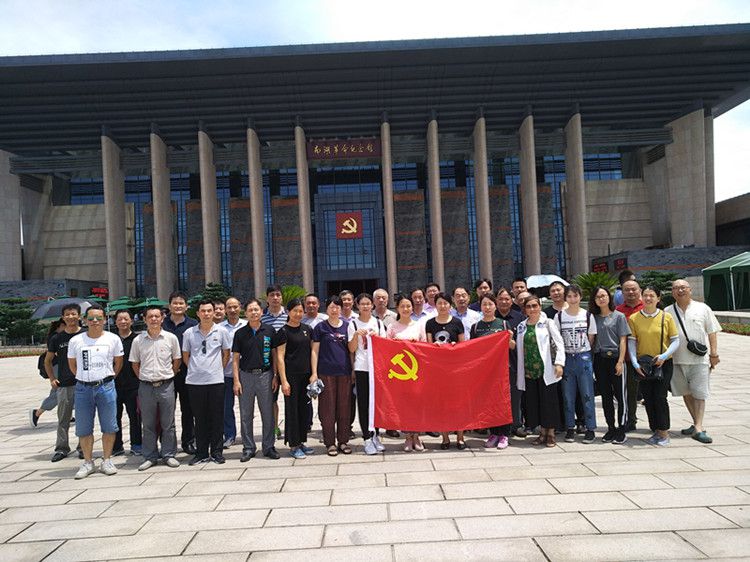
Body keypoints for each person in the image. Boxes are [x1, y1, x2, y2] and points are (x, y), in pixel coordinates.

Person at [67, 304, 123, 479]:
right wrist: (85, 378)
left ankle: (107, 460)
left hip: (106, 387)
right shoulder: (76, 341)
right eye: (91, 318)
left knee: (109, 425)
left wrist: (107, 378)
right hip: (83, 388)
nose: (95, 321)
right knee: (84, 428)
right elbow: (72, 365)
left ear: (105, 319)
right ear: (85, 320)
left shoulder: (113, 339)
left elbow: (118, 363)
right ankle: (88, 462)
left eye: (99, 318)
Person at [666, 279, 722, 444]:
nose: (680, 290)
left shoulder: (703, 308)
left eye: (683, 287)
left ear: (690, 290)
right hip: (676, 360)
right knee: (686, 393)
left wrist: (714, 354)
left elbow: (712, 331)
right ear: (672, 292)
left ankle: (698, 427)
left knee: (699, 393)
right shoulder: (668, 311)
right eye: (676, 288)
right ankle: (696, 423)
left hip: (699, 360)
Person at [130, 305, 182, 470]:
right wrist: (143, 377)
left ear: (162, 318)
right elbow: (135, 363)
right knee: (148, 423)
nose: (153, 319)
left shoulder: (170, 338)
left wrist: (169, 374)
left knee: (168, 422)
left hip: (166, 385)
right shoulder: (138, 340)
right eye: (150, 317)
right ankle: (150, 456)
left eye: (156, 316)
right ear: (144, 319)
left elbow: (177, 360)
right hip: (146, 387)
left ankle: (168, 454)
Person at [628, 286, 680, 447]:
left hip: (663, 363)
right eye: (645, 295)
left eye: (652, 295)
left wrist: (664, 356)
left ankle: (664, 431)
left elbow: (675, 340)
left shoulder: (666, 317)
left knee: (660, 397)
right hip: (644, 364)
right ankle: (655, 430)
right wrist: (635, 362)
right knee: (648, 398)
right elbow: (632, 342)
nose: (648, 298)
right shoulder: (634, 318)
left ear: (658, 298)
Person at [182, 300, 231, 465]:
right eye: (203, 311)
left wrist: (216, 369)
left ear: (214, 312)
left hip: (216, 381)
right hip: (195, 382)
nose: (206, 314)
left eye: (209, 310)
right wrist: (196, 369)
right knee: (199, 418)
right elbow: (186, 355)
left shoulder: (222, 331)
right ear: (198, 313)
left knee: (217, 417)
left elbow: (226, 354)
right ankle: (201, 452)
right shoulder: (189, 333)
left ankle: (217, 452)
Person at [233, 298, 280, 462]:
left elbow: (274, 355)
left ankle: (268, 446)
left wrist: (275, 376)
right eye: (250, 310)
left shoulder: (269, 330)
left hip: (265, 376)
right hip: (245, 376)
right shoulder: (240, 333)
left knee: (267, 413)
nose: (254, 313)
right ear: (245, 313)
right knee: (246, 414)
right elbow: (235, 359)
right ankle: (248, 447)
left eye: (256, 310)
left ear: (261, 311)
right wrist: (236, 381)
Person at [516, 295, 565, 447]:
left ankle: (551, 434)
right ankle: (542, 433)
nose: (532, 309)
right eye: (528, 306)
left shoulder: (548, 323)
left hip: (546, 369)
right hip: (529, 370)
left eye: (534, 305)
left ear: (540, 306)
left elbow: (559, 343)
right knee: (535, 402)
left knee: (549, 402)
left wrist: (559, 363)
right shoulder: (521, 326)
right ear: (525, 309)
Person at [470, 294, 515, 449]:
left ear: (495, 306)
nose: (487, 307)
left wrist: (509, 339)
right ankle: (493, 433)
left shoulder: (503, 324)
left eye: (490, 304)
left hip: (502, 370)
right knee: (488, 402)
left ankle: (504, 434)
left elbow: (513, 346)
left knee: (503, 401)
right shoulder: (476, 327)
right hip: (485, 372)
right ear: (480, 307)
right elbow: (472, 349)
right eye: (484, 304)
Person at [557, 284, 598, 444]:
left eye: (575, 296)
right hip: (567, 358)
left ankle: (590, 428)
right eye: (569, 296)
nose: (572, 299)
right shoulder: (560, 316)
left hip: (583, 357)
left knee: (587, 394)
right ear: (565, 298)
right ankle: (570, 427)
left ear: (580, 297)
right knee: (568, 396)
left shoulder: (587, 315)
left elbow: (591, 338)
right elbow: (557, 339)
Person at [425, 292, 467, 450]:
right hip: (438, 370)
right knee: (442, 404)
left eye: (445, 303)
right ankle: (445, 437)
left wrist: (455, 347)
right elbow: (429, 347)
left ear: (451, 305)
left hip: (456, 369)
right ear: (435, 305)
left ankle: (460, 437)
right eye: (439, 303)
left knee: (459, 403)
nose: (442, 306)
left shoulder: (457, 322)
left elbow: (463, 346)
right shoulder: (430, 323)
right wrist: (435, 347)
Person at [590, 286, 631, 444]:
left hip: (615, 359)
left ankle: (622, 428)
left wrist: (620, 361)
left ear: (609, 297)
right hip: (600, 360)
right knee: (605, 396)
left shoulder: (619, 316)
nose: (601, 299)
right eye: (598, 296)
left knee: (620, 396)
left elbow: (623, 340)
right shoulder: (593, 318)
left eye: (604, 295)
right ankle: (611, 428)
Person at [312, 295, 352, 456]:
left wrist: (353, 370)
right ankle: (330, 443)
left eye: (337, 307)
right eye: (331, 307)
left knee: (344, 408)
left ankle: (343, 441)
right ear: (326, 309)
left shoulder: (348, 326)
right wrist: (314, 373)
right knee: (327, 409)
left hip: (344, 373)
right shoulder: (320, 327)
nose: (334, 310)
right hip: (325, 373)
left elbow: (351, 350)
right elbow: (314, 351)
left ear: (341, 309)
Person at [275, 298, 315, 459]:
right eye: (295, 311)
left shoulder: (307, 329)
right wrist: (283, 380)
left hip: (306, 375)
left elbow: (312, 351)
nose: (298, 314)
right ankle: (293, 445)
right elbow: (280, 357)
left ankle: (301, 441)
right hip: (291, 377)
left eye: (300, 311)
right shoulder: (283, 332)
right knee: (292, 411)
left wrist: (313, 374)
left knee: (304, 410)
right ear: (288, 312)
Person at [348, 293, 387, 455]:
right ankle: (366, 438)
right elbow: (351, 348)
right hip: (361, 368)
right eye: (362, 304)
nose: (365, 306)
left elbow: (385, 346)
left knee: (376, 404)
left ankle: (375, 435)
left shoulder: (378, 323)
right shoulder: (353, 324)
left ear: (372, 305)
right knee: (363, 404)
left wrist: (376, 338)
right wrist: (356, 335)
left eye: (368, 303)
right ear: (357, 306)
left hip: (376, 369)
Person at [386, 294, 426, 451]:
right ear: (397, 308)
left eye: (408, 306)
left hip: (416, 371)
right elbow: (386, 349)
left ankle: (417, 436)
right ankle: (408, 437)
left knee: (417, 404)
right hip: (399, 373)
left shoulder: (418, 325)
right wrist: (394, 344)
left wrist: (417, 346)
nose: (406, 309)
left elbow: (425, 347)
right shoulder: (392, 327)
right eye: (402, 306)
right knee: (403, 405)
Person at [47, 304, 84, 463]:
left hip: (83, 383)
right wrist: (52, 378)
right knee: (63, 418)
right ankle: (61, 448)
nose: (70, 317)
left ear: (79, 316)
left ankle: (83, 447)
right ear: (63, 317)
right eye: (67, 314)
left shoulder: (85, 335)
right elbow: (48, 360)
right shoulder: (57, 338)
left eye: (73, 314)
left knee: (83, 418)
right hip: (64, 384)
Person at [163, 291, 198, 455]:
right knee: (166, 411)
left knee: (188, 409)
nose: (178, 306)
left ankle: (188, 441)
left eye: (181, 303)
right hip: (165, 373)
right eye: (175, 303)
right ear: (169, 306)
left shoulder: (193, 324)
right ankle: (168, 444)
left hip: (186, 373)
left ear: (186, 306)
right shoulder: (162, 324)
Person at [495, 287, 526, 437]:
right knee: (497, 396)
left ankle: (516, 424)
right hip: (494, 365)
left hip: (514, 363)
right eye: (500, 299)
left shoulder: (519, 318)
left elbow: (523, 342)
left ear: (512, 301)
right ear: (496, 301)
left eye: (507, 299)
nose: (504, 302)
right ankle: (497, 426)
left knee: (515, 395)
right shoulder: (491, 317)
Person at [112, 310, 142, 456]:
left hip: (134, 385)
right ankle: (117, 446)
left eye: (126, 319)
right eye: (120, 319)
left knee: (135, 417)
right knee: (114, 417)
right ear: (115, 322)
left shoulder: (138, 339)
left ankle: (136, 444)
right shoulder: (111, 339)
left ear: (131, 321)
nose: (123, 322)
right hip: (114, 385)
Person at [617, 279, 644, 432]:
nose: (631, 292)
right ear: (622, 292)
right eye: (627, 290)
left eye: (634, 289)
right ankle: (630, 420)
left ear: (640, 290)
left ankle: (656, 423)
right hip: (627, 359)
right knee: (630, 393)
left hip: (648, 358)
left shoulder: (648, 308)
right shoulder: (618, 311)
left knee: (651, 393)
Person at [220, 296, 247, 449]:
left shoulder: (247, 325)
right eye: (229, 307)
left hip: (244, 372)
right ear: (225, 309)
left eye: (235, 307)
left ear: (240, 307)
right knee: (226, 406)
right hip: (225, 373)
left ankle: (247, 435)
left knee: (246, 407)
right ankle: (229, 435)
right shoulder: (219, 328)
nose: (232, 310)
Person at [261, 284, 287, 440]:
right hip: (269, 363)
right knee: (272, 398)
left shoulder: (289, 315)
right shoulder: (262, 318)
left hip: (290, 360)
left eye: (278, 295)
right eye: (272, 295)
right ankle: (275, 427)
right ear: (267, 298)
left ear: (282, 297)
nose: (275, 298)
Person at [29, 319, 63, 428]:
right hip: (57, 366)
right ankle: (37, 412)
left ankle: (66, 414)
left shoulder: (59, 335)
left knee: (64, 391)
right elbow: (56, 354)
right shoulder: (55, 337)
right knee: (59, 392)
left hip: (60, 366)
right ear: (60, 325)